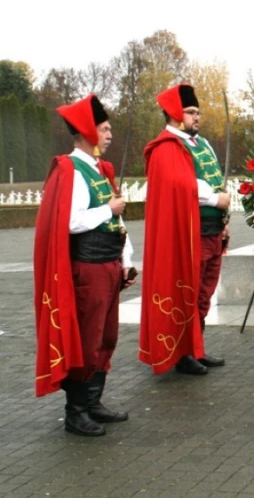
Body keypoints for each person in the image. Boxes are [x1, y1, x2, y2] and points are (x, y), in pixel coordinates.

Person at [34, 94, 136, 436]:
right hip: (88, 269)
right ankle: (76, 412)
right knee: (87, 339)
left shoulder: (100, 169)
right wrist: (110, 209)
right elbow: (71, 222)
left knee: (106, 337)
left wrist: (126, 259)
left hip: (108, 265)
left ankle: (93, 402)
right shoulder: (71, 169)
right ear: (86, 132)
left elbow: (116, 223)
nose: (109, 136)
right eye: (104, 129)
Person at [140, 84, 230, 376]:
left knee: (204, 294)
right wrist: (217, 200)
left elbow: (213, 179)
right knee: (188, 294)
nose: (197, 117)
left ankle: (197, 347)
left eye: (198, 112)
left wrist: (223, 220)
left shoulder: (201, 144)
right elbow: (183, 186)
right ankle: (183, 354)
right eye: (191, 112)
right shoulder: (166, 147)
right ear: (176, 114)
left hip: (213, 230)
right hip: (189, 233)